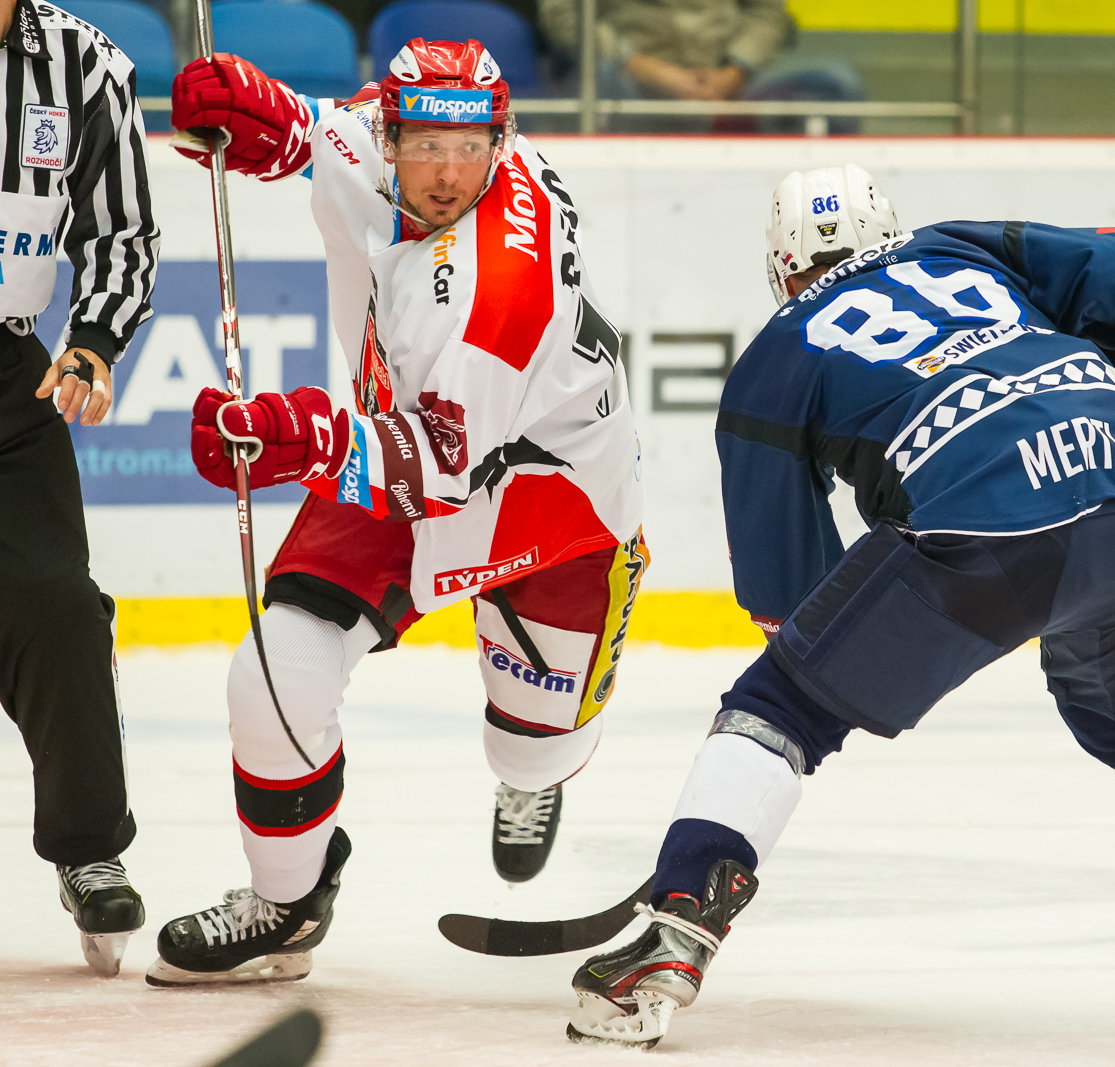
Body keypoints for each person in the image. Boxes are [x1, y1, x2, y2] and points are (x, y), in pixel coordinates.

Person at [565, 165, 1115, 1047]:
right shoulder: (955, 247)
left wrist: (810, 682)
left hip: (982, 531)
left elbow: (790, 602)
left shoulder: (773, 358)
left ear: (781, 267)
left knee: (778, 707)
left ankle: (676, 934)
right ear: (889, 230)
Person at [145, 37, 646, 986]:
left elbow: (444, 471)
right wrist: (273, 121)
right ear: (391, 134)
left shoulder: (500, 288)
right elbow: (322, 133)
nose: (449, 174)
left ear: (501, 140)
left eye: (470, 150)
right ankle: (287, 901)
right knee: (274, 673)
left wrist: (303, 439)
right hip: (412, 443)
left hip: (555, 507)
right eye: (426, 147)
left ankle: (530, 776)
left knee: (532, 753)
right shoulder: (379, 134)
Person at [0, 0, 160, 977]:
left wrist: (95, 337)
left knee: (57, 605)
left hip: (7, 370)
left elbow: (122, 233)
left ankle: (89, 846)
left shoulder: (83, 62)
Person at [540, 0, 861, 133]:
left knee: (837, 84)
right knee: (589, 88)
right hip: (628, 81)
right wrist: (642, 67)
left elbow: (768, 10)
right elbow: (561, 12)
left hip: (732, 82)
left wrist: (735, 71)